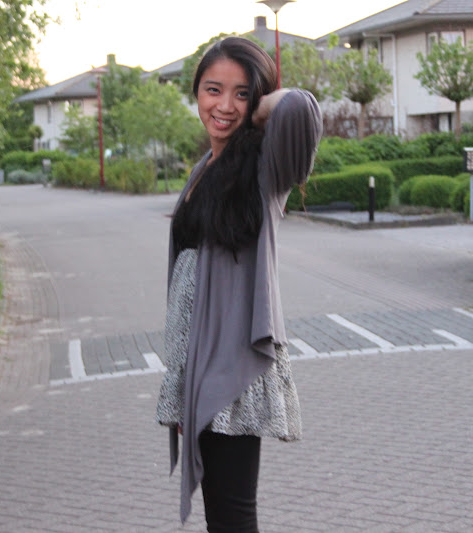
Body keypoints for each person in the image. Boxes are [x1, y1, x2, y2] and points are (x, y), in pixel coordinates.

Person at [155, 36, 322, 532]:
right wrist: (183, 379)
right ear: (196, 93)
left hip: (231, 368)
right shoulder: (204, 169)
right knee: (222, 516)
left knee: (232, 515)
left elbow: (300, 110)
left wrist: (262, 104)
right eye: (213, 90)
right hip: (199, 365)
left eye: (241, 93)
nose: (224, 105)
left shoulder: (265, 167)